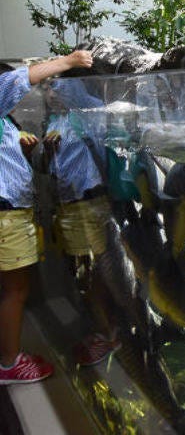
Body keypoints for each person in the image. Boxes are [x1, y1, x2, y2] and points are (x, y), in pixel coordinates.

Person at [0, 50, 93, 384]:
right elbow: (18, 79)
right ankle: (9, 364)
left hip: (13, 214)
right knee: (15, 291)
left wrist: (26, 152)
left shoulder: (6, 123)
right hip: (7, 217)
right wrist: (69, 61)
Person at [42, 77, 121, 366]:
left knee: (102, 266)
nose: (50, 94)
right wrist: (47, 151)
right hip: (70, 204)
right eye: (47, 89)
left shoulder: (89, 110)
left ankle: (111, 332)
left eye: (55, 87)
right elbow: (50, 167)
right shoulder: (54, 121)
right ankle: (100, 330)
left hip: (93, 201)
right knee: (84, 270)